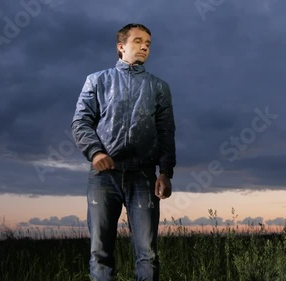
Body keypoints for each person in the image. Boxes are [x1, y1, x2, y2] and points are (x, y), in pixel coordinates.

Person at [71, 23, 176, 281]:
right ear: (121, 46)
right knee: (100, 251)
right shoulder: (97, 80)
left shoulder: (159, 87)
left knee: (147, 253)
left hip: (143, 176)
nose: (144, 46)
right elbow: (80, 122)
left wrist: (165, 172)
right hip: (104, 176)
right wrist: (95, 152)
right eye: (138, 41)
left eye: (148, 43)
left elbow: (166, 132)